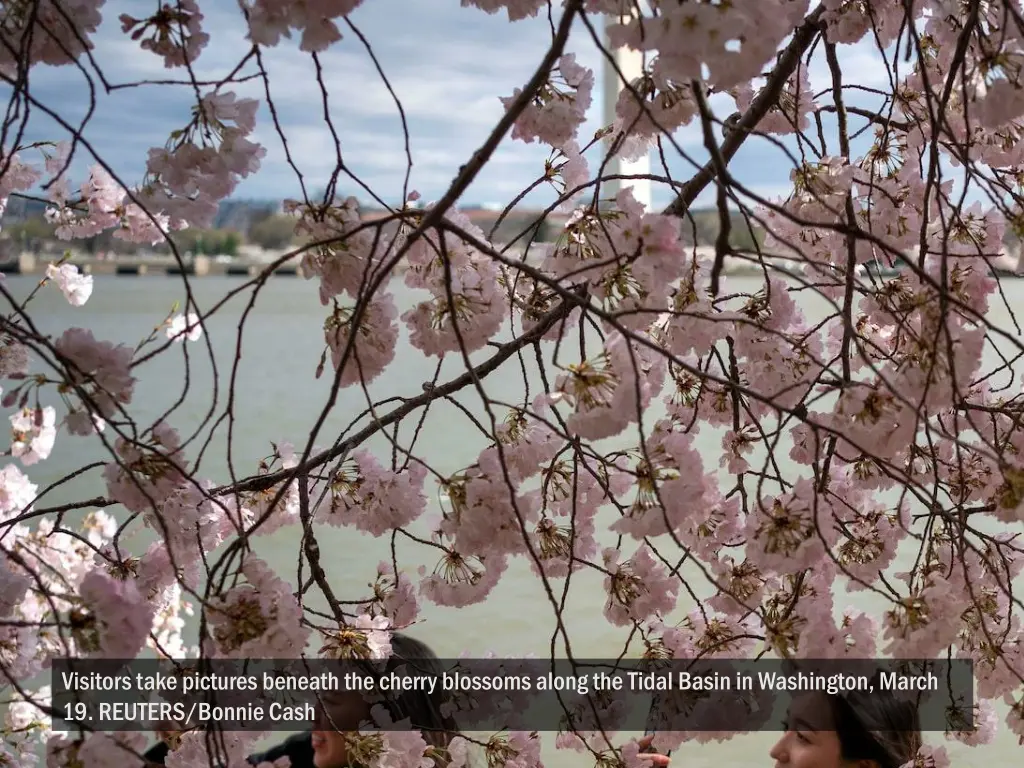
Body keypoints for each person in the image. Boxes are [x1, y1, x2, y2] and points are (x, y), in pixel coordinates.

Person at [141, 633, 459, 767]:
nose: (314, 715)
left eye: (332, 701)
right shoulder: (303, 754)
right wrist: (186, 741)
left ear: (386, 718)